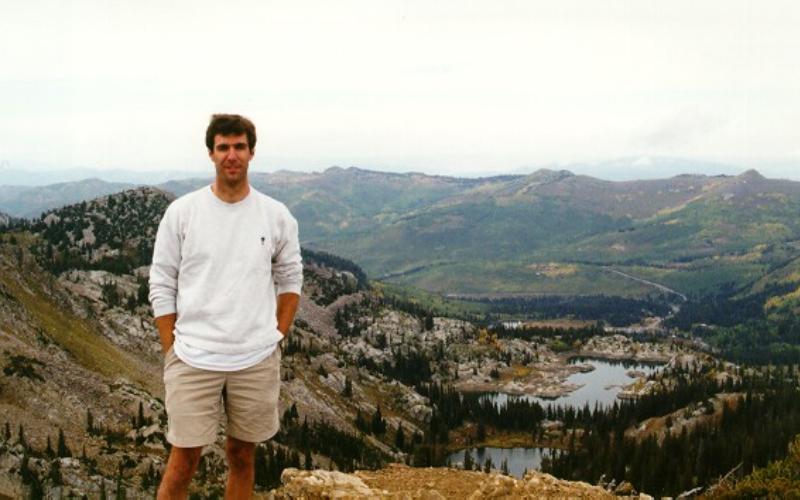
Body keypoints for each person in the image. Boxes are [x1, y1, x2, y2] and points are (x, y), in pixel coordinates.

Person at [149, 114, 302, 499]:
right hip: (193, 356)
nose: (231, 155)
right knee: (183, 459)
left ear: (251, 152)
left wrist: (277, 335)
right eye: (223, 147)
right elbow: (162, 281)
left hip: (254, 356)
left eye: (238, 146)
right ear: (211, 154)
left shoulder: (275, 215)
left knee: (242, 454)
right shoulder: (183, 213)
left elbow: (291, 278)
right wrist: (171, 346)